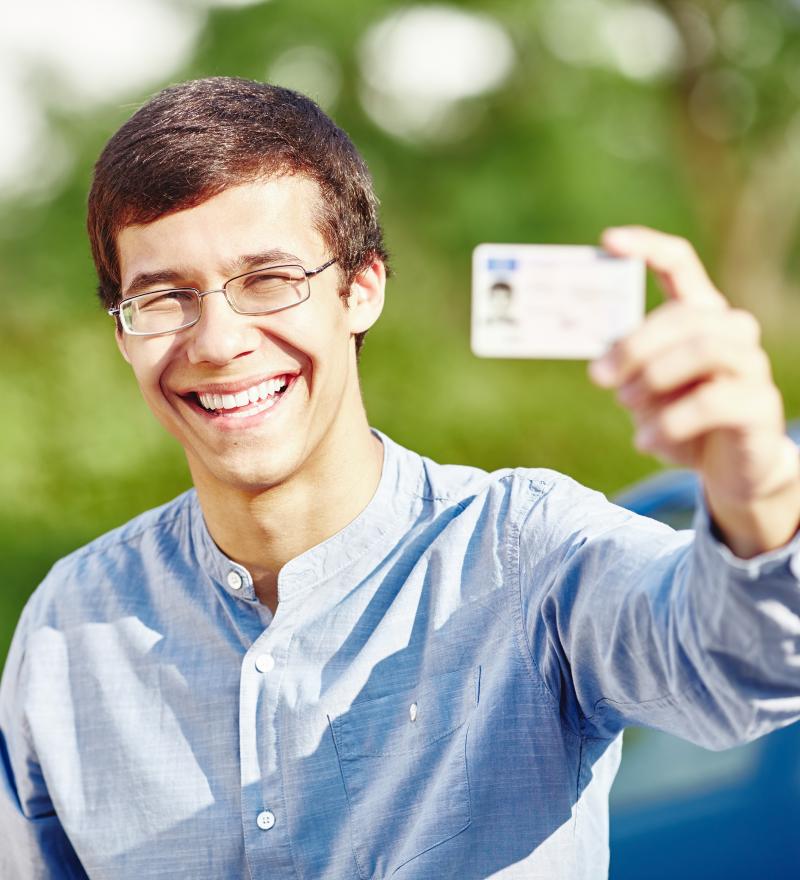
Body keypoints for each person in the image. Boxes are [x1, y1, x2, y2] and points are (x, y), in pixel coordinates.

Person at [1, 76, 799, 880]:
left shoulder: (531, 553)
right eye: (164, 297)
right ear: (122, 334)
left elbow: (745, 668)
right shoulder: (70, 630)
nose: (217, 342)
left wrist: (758, 496)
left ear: (360, 290)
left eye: (269, 281)